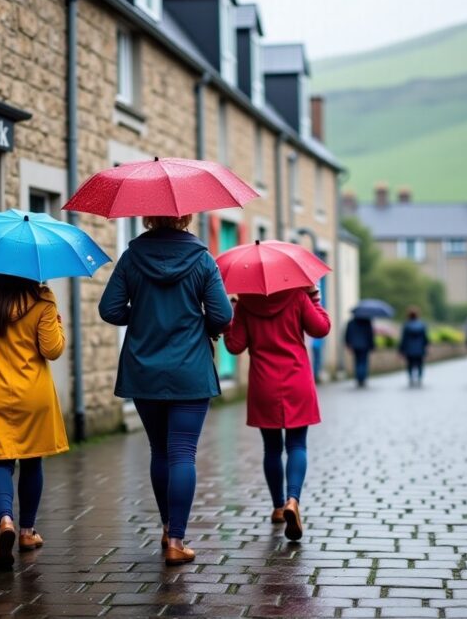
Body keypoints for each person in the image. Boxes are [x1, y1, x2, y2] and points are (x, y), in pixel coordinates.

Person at [98, 214, 233, 565]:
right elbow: (221, 316)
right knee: (182, 453)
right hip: (190, 370)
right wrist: (197, 320)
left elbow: (109, 309)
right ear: (186, 217)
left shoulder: (131, 258)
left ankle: (166, 527)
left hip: (144, 370)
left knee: (160, 450)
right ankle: (177, 539)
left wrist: (142, 313)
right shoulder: (203, 259)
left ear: (147, 217)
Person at [0, 274, 69, 571]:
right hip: (33, 393)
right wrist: (57, 325)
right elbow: (52, 350)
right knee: (32, 461)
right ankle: (27, 532)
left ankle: (5, 519)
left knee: (0, 463)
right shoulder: (42, 299)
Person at [224, 286, 330, 542]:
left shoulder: (246, 302)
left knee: (271, 449)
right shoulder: (298, 296)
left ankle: (278, 506)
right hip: (297, 380)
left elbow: (234, 346)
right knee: (297, 446)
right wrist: (314, 299)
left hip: (264, 384)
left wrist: (235, 311)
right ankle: (293, 500)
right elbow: (321, 328)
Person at [399, 307, 429, 388]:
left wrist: (401, 350)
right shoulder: (422, 325)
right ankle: (419, 378)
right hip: (420, 349)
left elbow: (403, 339)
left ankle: (411, 378)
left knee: (409, 364)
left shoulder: (406, 326)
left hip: (409, 349)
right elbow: (425, 338)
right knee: (420, 364)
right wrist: (426, 347)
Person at [344, 315, 375, 387]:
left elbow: (347, 334)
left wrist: (348, 344)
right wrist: (372, 346)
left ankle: (358, 379)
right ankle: (362, 379)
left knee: (357, 362)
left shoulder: (351, 322)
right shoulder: (367, 321)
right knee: (363, 362)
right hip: (365, 345)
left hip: (355, 345)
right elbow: (370, 335)